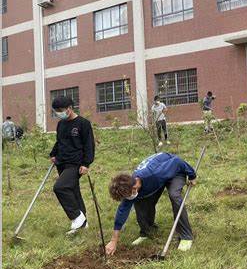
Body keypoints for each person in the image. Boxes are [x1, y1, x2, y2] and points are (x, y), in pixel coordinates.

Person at [105, 152, 197, 255]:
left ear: (134, 187)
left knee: (174, 195)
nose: (127, 198)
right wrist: (113, 241)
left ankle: (186, 236)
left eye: (128, 196)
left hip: (175, 171)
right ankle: (147, 232)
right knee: (140, 200)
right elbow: (122, 213)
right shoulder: (129, 187)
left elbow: (177, 162)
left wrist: (192, 175)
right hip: (158, 179)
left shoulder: (153, 174)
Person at [49, 96, 95, 235]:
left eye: (61, 110)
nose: (58, 113)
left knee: (60, 187)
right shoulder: (61, 124)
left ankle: (76, 216)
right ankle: (83, 223)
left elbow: (89, 145)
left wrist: (86, 163)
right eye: (56, 111)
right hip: (61, 162)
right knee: (73, 191)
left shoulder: (83, 123)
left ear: (69, 108)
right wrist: (53, 153)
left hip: (75, 164)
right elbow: (60, 142)